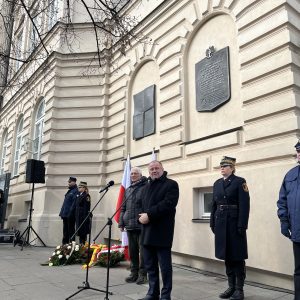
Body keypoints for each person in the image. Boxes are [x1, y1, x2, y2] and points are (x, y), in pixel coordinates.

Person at [210, 156, 250, 300]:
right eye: (221, 166)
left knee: (237, 257)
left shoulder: (240, 182)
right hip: (221, 223)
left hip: (234, 224)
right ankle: (231, 287)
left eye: (225, 166)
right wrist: (212, 222)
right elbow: (213, 205)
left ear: (232, 168)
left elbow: (245, 205)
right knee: (227, 256)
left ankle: (239, 289)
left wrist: (242, 225)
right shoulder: (217, 184)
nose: (222, 168)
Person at [138, 160, 179, 300]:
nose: (154, 171)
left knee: (165, 267)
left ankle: (165, 295)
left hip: (162, 232)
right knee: (150, 266)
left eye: (156, 168)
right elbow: (139, 206)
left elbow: (168, 204)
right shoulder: (145, 187)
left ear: (162, 169)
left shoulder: (171, 184)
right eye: (151, 169)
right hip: (146, 232)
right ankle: (152, 293)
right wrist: (140, 217)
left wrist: (149, 215)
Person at [277, 140, 300, 300]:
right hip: (298, 231)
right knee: (299, 269)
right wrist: (284, 221)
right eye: (298, 151)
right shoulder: (290, 175)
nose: (298, 154)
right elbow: (282, 201)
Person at [119, 167, 148, 284]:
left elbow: (147, 206)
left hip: (141, 225)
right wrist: (121, 222)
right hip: (129, 225)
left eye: (136, 173)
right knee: (133, 251)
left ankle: (143, 274)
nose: (133, 175)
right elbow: (123, 208)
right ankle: (134, 272)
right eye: (132, 174)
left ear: (140, 175)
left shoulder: (146, 187)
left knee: (143, 252)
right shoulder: (128, 189)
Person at [59, 177, 78, 244]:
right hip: (65, 214)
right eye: (68, 182)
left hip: (70, 215)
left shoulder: (76, 191)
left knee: (71, 231)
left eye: (70, 182)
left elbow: (74, 204)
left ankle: (71, 245)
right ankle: (64, 246)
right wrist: (62, 213)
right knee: (65, 232)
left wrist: (70, 214)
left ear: (74, 182)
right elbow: (65, 204)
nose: (68, 183)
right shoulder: (70, 191)